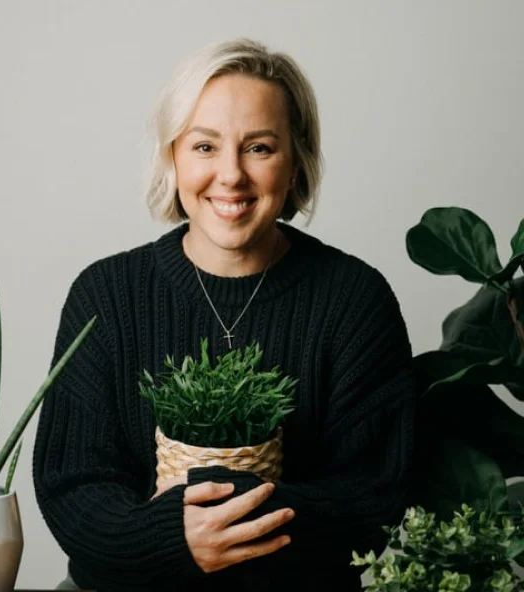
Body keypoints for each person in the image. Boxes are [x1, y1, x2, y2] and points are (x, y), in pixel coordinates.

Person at [32, 37, 417, 592]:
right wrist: (172, 538)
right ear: (172, 156)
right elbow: (73, 486)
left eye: (258, 147)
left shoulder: (355, 299)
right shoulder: (106, 295)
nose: (231, 176)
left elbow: (372, 495)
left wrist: (225, 520)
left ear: (295, 159)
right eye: (205, 147)